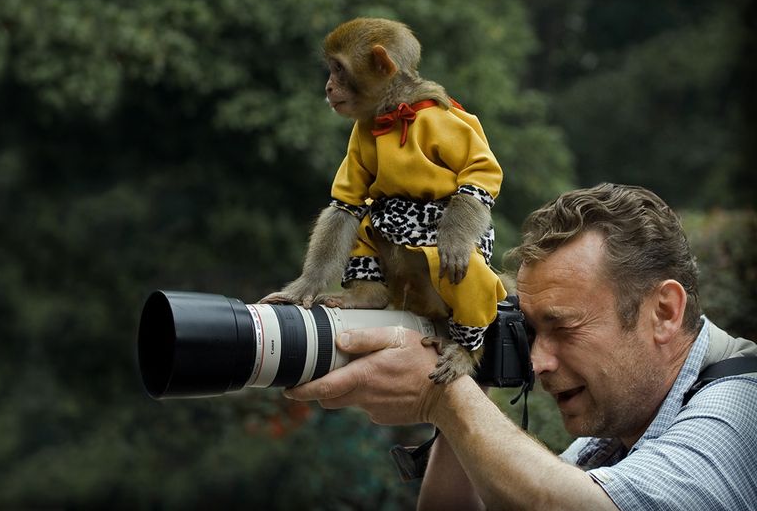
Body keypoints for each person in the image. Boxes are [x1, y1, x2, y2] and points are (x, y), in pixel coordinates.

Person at [283, 183, 757, 509]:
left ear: (664, 312)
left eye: (564, 327)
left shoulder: (740, 411)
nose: (537, 361)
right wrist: (465, 362)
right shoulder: (613, 440)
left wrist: (442, 397)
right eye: (530, 331)